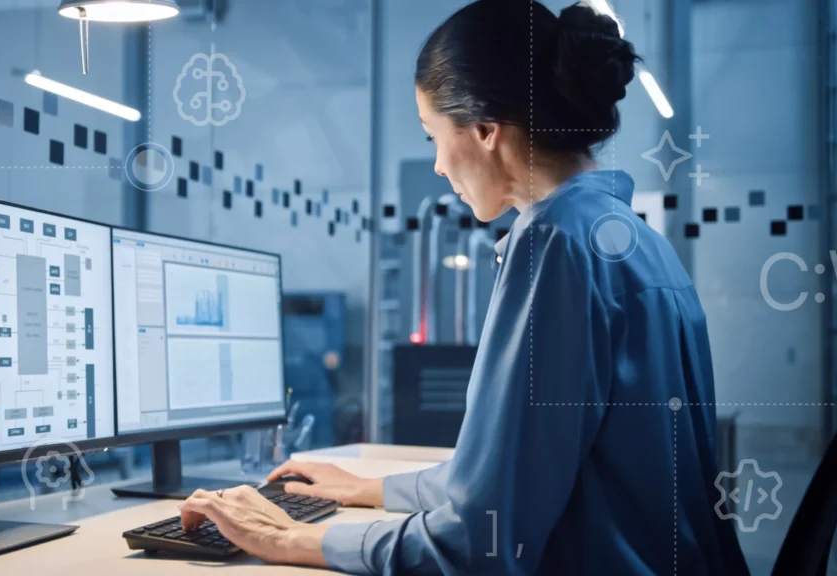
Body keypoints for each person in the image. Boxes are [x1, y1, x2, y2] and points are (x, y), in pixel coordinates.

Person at [179, 1, 751, 573]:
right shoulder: (632, 242)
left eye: (432, 136)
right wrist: (371, 488)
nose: (436, 165)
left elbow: (483, 544)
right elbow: (518, 476)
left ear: (483, 129)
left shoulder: (556, 245)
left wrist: (289, 540)